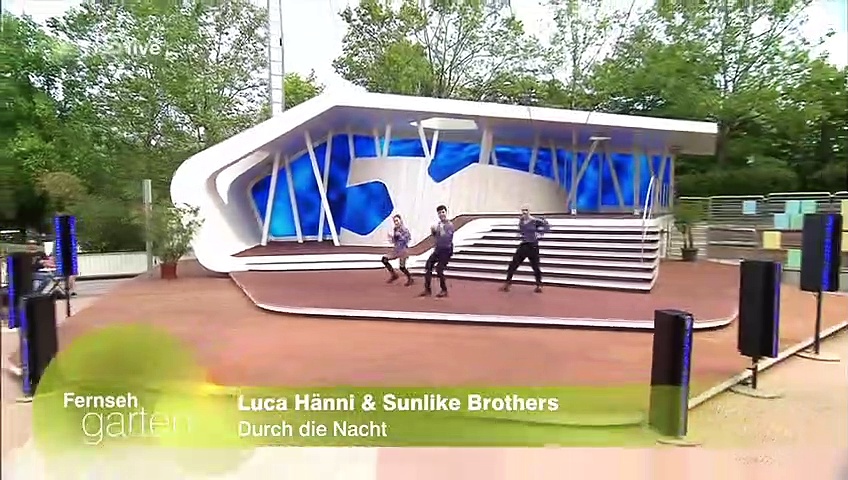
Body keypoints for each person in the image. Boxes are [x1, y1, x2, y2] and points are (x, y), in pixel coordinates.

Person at [500, 206, 550, 293]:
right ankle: (507, 283)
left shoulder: (535, 221)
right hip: (524, 245)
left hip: (533, 246)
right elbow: (522, 231)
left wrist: (540, 234)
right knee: (513, 264)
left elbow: (547, 226)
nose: (524, 212)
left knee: (535, 266)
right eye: (523, 210)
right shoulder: (521, 221)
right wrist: (520, 234)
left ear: (529, 211)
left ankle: (539, 285)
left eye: (526, 210)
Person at [419, 205, 454, 298]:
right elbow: (436, 237)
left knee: (439, 269)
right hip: (438, 249)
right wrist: (433, 232)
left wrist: (441, 229)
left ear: (446, 213)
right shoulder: (438, 225)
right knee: (428, 265)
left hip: (446, 250)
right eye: (439, 213)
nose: (441, 214)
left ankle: (444, 290)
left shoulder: (449, 225)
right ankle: (427, 289)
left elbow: (447, 238)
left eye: (443, 212)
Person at [381, 214, 414, 286]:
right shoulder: (395, 229)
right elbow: (395, 241)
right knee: (384, 259)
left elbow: (407, 239)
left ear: (400, 220)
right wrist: (391, 238)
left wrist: (400, 235)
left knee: (402, 267)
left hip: (403, 250)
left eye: (397, 221)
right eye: (394, 221)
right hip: (396, 250)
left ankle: (410, 278)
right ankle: (394, 275)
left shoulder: (405, 230)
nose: (396, 222)